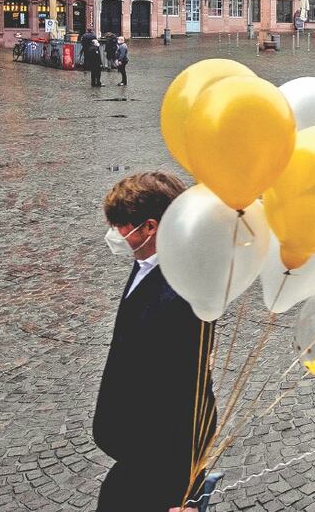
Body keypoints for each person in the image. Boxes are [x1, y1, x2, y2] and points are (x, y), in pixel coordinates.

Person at [94, 172, 216, 512]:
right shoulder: (148, 262)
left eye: (120, 225)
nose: (114, 234)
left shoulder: (184, 295)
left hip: (159, 458)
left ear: (149, 227)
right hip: (135, 445)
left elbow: (187, 392)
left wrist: (182, 492)